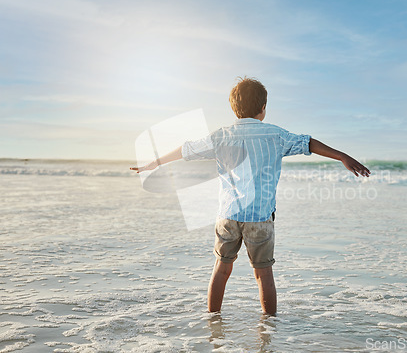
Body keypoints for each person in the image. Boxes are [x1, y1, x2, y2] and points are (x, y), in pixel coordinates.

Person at [130, 77, 370, 316]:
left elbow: (185, 150)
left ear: (234, 108)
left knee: (221, 270)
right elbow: (309, 143)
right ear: (263, 107)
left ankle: (213, 322)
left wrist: (154, 163)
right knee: (263, 274)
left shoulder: (220, 136)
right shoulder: (276, 135)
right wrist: (342, 157)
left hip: (228, 215)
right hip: (260, 217)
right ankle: (269, 329)